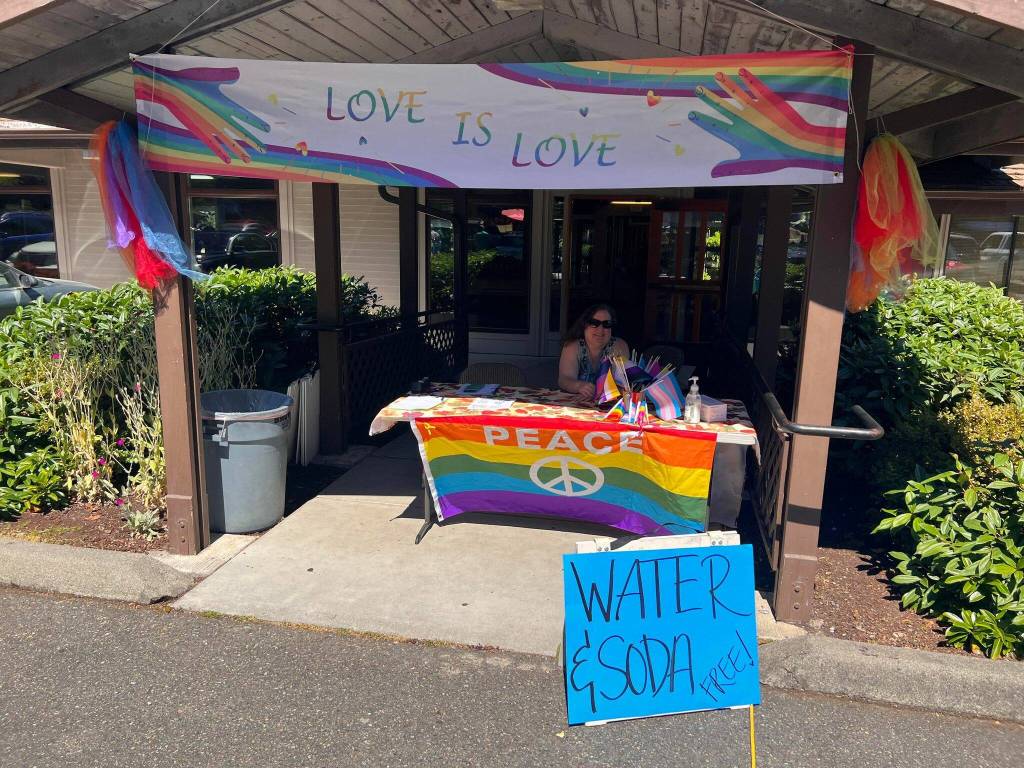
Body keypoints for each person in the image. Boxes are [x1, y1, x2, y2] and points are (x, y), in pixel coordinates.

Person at [558, 304, 629, 400]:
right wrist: (578, 386)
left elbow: (622, 384)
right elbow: (564, 379)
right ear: (584, 325)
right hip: (576, 405)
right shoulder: (572, 347)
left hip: (609, 406)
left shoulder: (619, 347)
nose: (600, 330)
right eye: (594, 323)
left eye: (606, 324)